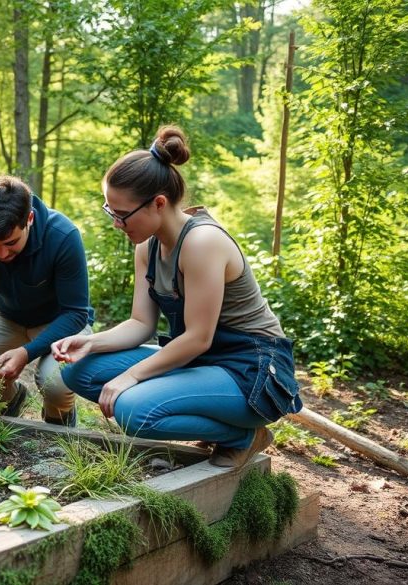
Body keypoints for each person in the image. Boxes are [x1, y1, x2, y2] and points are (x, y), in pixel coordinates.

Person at [52, 126, 302, 468]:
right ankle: (217, 423)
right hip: (202, 361)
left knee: (133, 411)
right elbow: (141, 324)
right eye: (110, 212)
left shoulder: (202, 243)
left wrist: (132, 375)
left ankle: (244, 436)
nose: (116, 224)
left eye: (122, 214)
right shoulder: (147, 247)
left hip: (250, 367)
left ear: (158, 203)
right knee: (77, 371)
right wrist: (90, 343)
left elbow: (198, 337)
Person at [0, 175, 94, 426]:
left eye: (11, 243)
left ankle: (59, 417)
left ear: (29, 219)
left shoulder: (63, 235)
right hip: (5, 314)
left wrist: (26, 353)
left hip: (60, 322)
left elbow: (76, 313)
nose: (2, 253)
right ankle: (9, 401)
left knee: (54, 382)